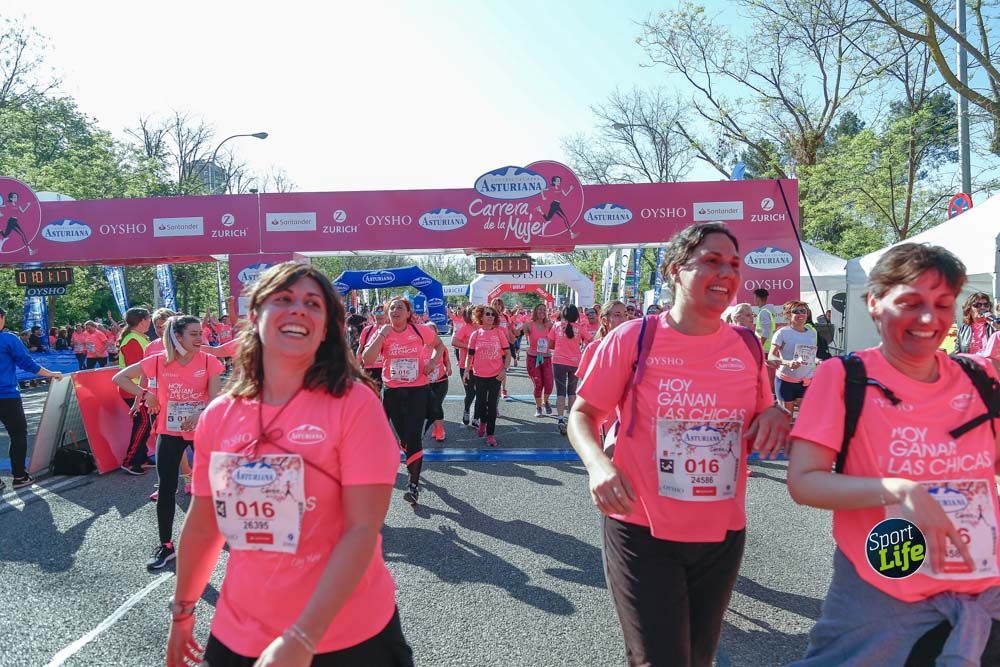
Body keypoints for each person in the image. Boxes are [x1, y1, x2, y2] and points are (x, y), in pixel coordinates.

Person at [165, 262, 414, 667]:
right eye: (283, 299)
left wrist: (301, 638)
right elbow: (205, 522)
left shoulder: (354, 405)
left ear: (326, 326)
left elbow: (362, 529)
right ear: (255, 315)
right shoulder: (219, 415)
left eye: (313, 304)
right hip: (239, 633)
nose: (298, 309)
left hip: (346, 637)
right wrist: (183, 611)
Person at [567, 221, 789, 667]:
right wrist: (598, 466)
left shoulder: (747, 346)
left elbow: (765, 410)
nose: (726, 273)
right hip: (641, 527)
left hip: (722, 530)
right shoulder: (634, 338)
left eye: (734, 264)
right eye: (711, 261)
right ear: (675, 270)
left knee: (698, 658)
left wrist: (775, 414)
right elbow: (582, 415)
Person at [786, 243, 1000, 665]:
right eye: (910, 302)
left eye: (942, 304)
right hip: (883, 584)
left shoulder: (980, 377)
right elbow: (804, 481)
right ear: (874, 303)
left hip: (982, 584)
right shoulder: (844, 377)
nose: (929, 319)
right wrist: (898, 490)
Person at [113, 315, 224, 570]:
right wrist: (145, 394)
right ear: (178, 336)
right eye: (194, 334)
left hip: (202, 431)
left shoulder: (209, 361)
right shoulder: (157, 361)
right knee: (166, 488)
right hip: (170, 432)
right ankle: (166, 546)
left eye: (201, 333)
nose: (201, 338)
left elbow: (216, 398)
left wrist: (201, 411)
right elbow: (119, 377)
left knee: (216, 487)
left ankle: (221, 538)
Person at [361, 296, 446, 505]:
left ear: (408, 313)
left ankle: (413, 486)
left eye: (400, 308)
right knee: (405, 439)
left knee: (414, 435)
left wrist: (433, 363)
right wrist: (381, 334)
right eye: (392, 309)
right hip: (393, 391)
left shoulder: (419, 330)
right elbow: (367, 359)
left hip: (418, 389)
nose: (395, 311)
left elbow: (440, 346)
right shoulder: (383, 333)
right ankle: (412, 465)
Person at [0, 306, 63, 492]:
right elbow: (27, 363)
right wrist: (51, 374)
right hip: (7, 395)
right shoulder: (8, 338)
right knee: (18, 434)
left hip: (7, 394)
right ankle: (19, 476)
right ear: (1, 317)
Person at [464, 304, 510, 446]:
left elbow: (508, 354)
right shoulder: (475, 334)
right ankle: (482, 422)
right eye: (487, 314)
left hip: (495, 375)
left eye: (492, 315)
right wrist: (466, 370)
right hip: (479, 375)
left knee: (492, 405)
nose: (490, 317)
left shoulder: (499, 333)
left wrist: (504, 370)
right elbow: (469, 355)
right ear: (480, 317)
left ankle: (490, 434)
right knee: (481, 404)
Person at [118, 307, 154, 474]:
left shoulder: (139, 338)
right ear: (142, 321)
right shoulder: (133, 340)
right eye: (149, 319)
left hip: (141, 389)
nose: (151, 322)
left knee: (145, 425)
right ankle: (130, 461)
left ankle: (141, 456)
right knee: (143, 424)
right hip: (135, 390)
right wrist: (142, 392)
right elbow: (137, 369)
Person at [769, 301, 818, 416]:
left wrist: (818, 360)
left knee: (808, 419)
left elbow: (809, 356)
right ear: (788, 315)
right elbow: (771, 356)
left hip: (806, 382)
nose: (801, 314)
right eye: (796, 311)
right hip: (786, 382)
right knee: (786, 419)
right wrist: (787, 363)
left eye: (804, 311)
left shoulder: (811, 333)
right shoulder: (782, 333)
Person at [548, 304, 591, 436]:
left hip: (559, 361)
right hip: (575, 362)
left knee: (560, 392)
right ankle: (572, 420)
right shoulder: (580, 327)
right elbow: (590, 340)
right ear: (576, 315)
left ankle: (561, 419)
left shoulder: (556, 326)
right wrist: (582, 349)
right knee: (572, 392)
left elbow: (550, 343)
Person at [523, 303, 554, 418]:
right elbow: (516, 333)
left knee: (549, 384)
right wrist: (510, 328)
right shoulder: (529, 325)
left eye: (544, 310)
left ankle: (545, 401)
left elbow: (557, 339)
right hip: (533, 358)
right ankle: (538, 407)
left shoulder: (550, 325)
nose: (542, 311)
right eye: (539, 309)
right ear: (535, 311)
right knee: (538, 384)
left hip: (546, 358)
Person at [423, 321, 451, 442]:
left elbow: (446, 360)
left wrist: (448, 368)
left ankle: (440, 429)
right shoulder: (419, 347)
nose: (429, 333)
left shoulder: (441, 347)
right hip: (424, 383)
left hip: (441, 381)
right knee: (428, 407)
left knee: (436, 405)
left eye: (432, 330)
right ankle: (435, 427)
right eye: (426, 330)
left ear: (436, 332)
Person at [452, 306, 478, 428]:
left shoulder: (483, 328)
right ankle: (467, 410)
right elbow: (454, 342)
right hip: (465, 365)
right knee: (470, 392)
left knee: (481, 393)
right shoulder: (465, 328)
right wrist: (468, 346)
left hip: (481, 366)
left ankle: (477, 417)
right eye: (473, 313)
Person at [356, 307, 388, 392]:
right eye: (377, 313)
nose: (380, 315)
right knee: (372, 394)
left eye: (382, 313)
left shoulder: (391, 329)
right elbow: (360, 348)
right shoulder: (367, 330)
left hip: (386, 367)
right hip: (370, 367)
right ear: (373, 315)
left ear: (386, 315)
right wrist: (357, 367)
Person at [491, 298, 516, 400]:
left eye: (499, 304)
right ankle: (493, 392)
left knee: (503, 370)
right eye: (495, 304)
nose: (497, 306)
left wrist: (512, 340)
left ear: (502, 306)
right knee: (493, 371)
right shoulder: (490, 316)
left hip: (505, 347)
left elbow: (510, 331)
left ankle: (503, 389)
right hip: (492, 347)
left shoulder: (506, 317)